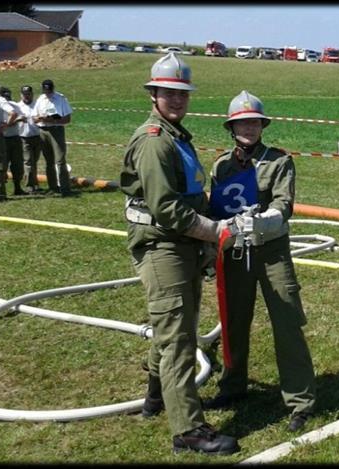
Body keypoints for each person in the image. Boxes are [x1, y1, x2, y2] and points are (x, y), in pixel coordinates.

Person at [120, 52, 239, 456]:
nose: (176, 100)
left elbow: (190, 194)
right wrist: (215, 232)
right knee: (178, 338)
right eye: (168, 93)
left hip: (182, 244)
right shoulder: (154, 142)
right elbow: (167, 208)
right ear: (153, 94)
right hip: (162, 245)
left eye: (182, 94)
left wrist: (205, 237)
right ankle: (188, 430)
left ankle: (156, 396)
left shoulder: (175, 136)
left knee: (179, 325)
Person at [203, 90, 316, 432]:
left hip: (271, 252)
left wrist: (264, 220)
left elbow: (284, 205)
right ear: (231, 127)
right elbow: (215, 211)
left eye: (254, 122)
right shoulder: (221, 165)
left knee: (287, 321)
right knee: (234, 321)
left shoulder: (279, 161)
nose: (248, 128)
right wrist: (211, 249)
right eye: (242, 123)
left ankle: (300, 400)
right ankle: (233, 386)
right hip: (235, 252)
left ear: (262, 125)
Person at [33, 79, 75, 196]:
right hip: (43, 130)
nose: (48, 93)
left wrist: (53, 119)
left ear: (53, 88)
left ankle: (65, 188)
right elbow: (34, 118)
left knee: (60, 160)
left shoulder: (61, 99)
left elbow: (67, 119)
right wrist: (40, 118)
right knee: (48, 161)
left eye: (49, 91)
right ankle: (52, 187)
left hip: (56, 130)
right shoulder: (40, 99)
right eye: (45, 91)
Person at [0, 87, 27, 196]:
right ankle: (1, 191)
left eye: (9, 96)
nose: (8, 99)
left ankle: (18, 188)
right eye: (5, 96)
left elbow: (23, 117)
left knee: (18, 166)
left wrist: (20, 119)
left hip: (15, 138)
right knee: (2, 165)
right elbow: (3, 126)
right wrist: (16, 120)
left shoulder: (15, 105)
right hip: (3, 139)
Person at [16, 85, 43, 193]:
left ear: (32, 94)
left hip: (37, 136)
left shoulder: (37, 105)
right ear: (21, 94)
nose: (26, 96)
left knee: (34, 161)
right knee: (28, 162)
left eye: (28, 94)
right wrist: (19, 119)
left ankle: (35, 184)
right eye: (24, 94)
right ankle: (29, 186)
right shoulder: (17, 106)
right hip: (23, 137)